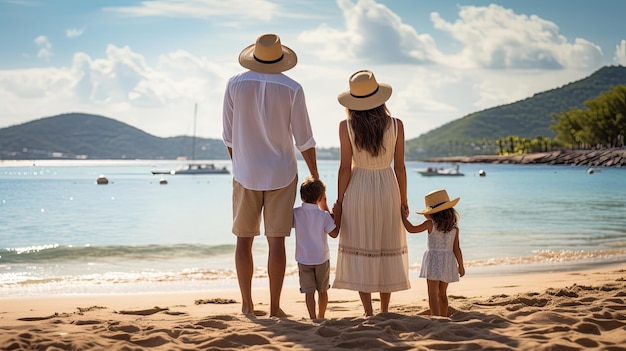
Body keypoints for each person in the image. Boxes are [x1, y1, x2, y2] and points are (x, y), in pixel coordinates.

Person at [222, 33, 319, 317]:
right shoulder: (292, 88)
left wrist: (241, 165)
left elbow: (228, 136)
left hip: (245, 173)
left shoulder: (234, 84)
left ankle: (247, 305)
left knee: (244, 239)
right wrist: (314, 176)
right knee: (276, 240)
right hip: (282, 172)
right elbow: (305, 139)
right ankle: (275, 307)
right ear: (281, 58)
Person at [332, 70, 410, 316]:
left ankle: (368, 311)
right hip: (388, 188)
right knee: (386, 244)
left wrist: (340, 201)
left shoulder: (346, 127)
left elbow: (345, 167)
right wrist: (404, 200)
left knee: (360, 245)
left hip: (358, 188)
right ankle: (385, 309)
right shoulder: (396, 125)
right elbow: (400, 167)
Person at [402, 189, 465, 317]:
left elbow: (411, 229)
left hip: (434, 261)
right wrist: (461, 265)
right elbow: (456, 249)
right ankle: (443, 316)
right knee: (442, 293)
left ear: (433, 213)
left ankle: (436, 318)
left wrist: (402, 217)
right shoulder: (454, 229)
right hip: (448, 262)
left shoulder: (430, 224)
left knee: (432, 293)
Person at [293, 177, 340, 319]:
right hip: (321, 259)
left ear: (301, 196)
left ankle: (312, 317)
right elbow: (334, 233)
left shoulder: (295, 213)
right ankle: (321, 316)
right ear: (321, 197)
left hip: (303, 259)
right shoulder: (323, 215)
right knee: (323, 290)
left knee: (308, 292)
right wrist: (337, 215)